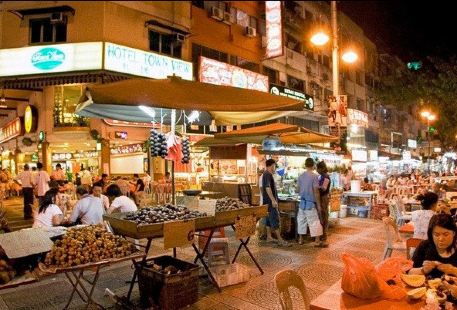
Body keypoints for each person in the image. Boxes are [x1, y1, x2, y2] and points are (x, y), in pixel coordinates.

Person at [409, 214, 457, 279]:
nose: (441, 239)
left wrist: (453, 270)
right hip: (426, 288)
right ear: (431, 234)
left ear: (453, 233)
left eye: (446, 235)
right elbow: (409, 272)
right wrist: (422, 270)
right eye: (436, 235)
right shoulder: (424, 246)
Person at [297, 158, 325, 247]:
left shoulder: (300, 176)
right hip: (310, 203)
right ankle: (317, 240)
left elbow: (297, 189)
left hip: (302, 203)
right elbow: (316, 191)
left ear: (305, 165)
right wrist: (319, 205)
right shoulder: (314, 176)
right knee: (314, 221)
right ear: (313, 166)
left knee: (301, 221)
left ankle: (301, 239)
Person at [261, 159, 290, 247]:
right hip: (270, 202)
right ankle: (280, 240)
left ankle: (269, 237)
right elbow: (267, 188)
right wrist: (273, 200)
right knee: (274, 219)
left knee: (269, 220)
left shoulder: (267, 174)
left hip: (267, 202)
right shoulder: (267, 174)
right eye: (274, 166)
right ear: (271, 165)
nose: (275, 168)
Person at [317, 161, 331, 242]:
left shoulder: (326, 177)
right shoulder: (322, 176)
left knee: (324, 215)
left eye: (318, 168)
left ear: (321, 168)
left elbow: (324, 188)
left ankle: (324, 234)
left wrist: (316, 186)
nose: (317, 170)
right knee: (322, 215)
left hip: (324, 198)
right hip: (322, 197)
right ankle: (322, 233)